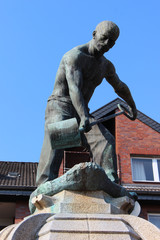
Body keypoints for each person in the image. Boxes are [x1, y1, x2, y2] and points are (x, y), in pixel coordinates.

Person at [36, 21, 137, 186]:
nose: (106, 45)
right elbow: (74, 87)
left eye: (111, 42)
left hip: (82, 110)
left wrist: (132, 105)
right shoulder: (74, 56)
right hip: (61, 105)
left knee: (105, 141)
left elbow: (120, 86)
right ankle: (44, 185)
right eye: (104, 38)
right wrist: (83, 117)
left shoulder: (106, 65)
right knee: (59, 136)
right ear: (94, 34)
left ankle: (110, 185)